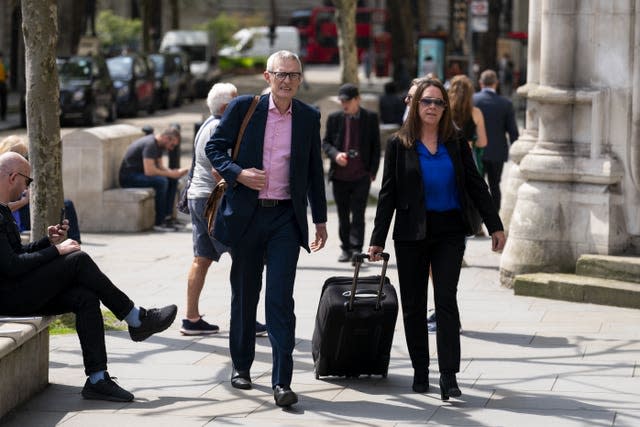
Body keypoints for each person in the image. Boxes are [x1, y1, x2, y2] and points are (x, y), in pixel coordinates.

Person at [0, 151, 178, 402]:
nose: (27, 186)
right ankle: (135, 318)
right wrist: (56, 250)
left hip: (16, 289)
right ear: (12, 177)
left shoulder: (3, 210)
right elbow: (12, 267)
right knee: (78, 260)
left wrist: (45, 242)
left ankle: (97, 379)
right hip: (9, 297)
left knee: (85, 296)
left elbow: (16, 254)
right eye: (27, 181)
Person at [367, 78, 506, 400]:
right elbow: (387, 195)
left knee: (445, 301)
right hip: (410, 233)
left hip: (449, 232)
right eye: (426, 101)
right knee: (414, 306)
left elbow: (476, 185)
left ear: (445, 108)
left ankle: (448, 375)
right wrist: (377, 239)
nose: (432, 107)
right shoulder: (398, 143)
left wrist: (495, 225)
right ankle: (419, 370)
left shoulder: (457, 142)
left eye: (438, 102)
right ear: (416, 106)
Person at [206, 50, 327, 407]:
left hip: (285, 220)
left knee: (279, 297)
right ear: (267, 76)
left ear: (300, 80)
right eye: (281, 74)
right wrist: (238, 173)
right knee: (245, 295)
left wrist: (319, 219)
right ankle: (241, 366)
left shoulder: (308, 117)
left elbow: (313, 171)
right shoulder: (244, 108)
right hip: (247, 216)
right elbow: (215, 147)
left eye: (293, 75)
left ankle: (282, 381)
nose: (287, 80)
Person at [181, 82, 268, 337]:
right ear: (227, 107)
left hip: (199, 197)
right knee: (243, 256)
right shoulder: (221, 128)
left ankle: (191, 318)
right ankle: (244, 320)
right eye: (236, 101)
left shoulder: (206, 126)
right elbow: (220, 168)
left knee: (202, 258)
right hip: (215, 200)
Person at [323, 83, 380, 262]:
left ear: (357, 99)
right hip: (340, 176)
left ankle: (356, 249)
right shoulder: (334, 118)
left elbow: (376, 146)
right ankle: (345, 248)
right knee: (342, 214)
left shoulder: (370, 118)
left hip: (361, 175)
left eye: (347, 101)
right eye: (341, 101)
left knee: (358, 213)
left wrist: (372, 171)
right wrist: (335, 155)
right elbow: (326, 143)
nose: (344, 104)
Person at [0, 135, 82, 242]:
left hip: (21, 212)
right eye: (23, 156)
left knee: (66, 205)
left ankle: (74, 243)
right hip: (19, 216)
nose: (25, 160)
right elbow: (4, 208)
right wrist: (24, 201)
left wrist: (48, 240)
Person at [119, 127, 188, 231]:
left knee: (172, 180)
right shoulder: (150, 144)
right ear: (166, 138)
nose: (172, 148)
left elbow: (160, 167)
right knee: (162, 182)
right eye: (172, 144)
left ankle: (168, 218)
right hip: (129, 178)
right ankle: (159, 222)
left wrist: (174, 173)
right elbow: (149, 171)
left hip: (140, 175)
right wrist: (170, 174)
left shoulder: (158, 145)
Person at [472, 69, 519, 211]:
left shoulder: (473, 100)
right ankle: (495, 223)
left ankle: (477, 222)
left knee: (476, 188)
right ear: (496, 84)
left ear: (481, 83)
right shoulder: (506, 103)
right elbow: (513, 132)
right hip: (497, 153)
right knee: (495, 186)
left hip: (476, 151)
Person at [0, 51, 7, 121]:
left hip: (2, 83)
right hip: (2, 84)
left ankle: (3, 115)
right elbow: (7, 75)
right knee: (3, 100)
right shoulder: (3, 65)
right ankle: (3, 115)